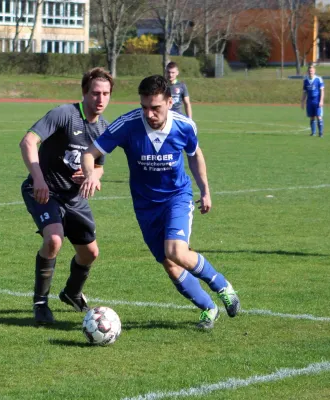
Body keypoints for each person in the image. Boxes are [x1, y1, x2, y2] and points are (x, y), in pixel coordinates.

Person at [80, 75, 240, 330]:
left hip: (177, 197)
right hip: (145, 206)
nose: (150, 113)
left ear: (169, 101)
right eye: (145, 107)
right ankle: (208, 308)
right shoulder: (128, 124)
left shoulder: (184, 126)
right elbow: (90, 153)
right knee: (170, 264)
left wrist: (205, 190)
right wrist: (90, 173)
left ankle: (222, 286)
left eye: (156, 107)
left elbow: (195, 155)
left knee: (175, 251)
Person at [19, 67, 113, 325]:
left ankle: (72, 293)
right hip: (44, 190)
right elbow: (27, 142)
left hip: (74, 198)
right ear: (84, 92)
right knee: (54, 240)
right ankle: (40, 304)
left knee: (90, 253)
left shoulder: (104, 128)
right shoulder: (64, 114)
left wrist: (93, 175)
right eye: (95, 93)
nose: (100, 99)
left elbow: (99, 164)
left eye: (106, 94)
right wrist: (38, 179)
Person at [301, 63, 324, 137]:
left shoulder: (318, 79)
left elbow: (322, 91)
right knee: (312, 116)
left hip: (317, 100)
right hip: (309, 101)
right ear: (307, 71)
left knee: (319, 116)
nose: (310, 72)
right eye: (309, 71)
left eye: (312, 70)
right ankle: (313, 132)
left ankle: (320, 133)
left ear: (314, 71)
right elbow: (304, 92)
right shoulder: (305, 80)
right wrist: (302, 102)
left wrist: (321, 100)